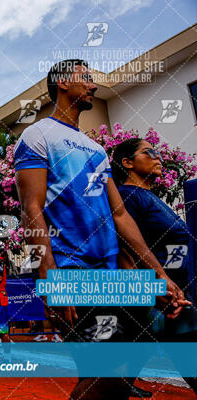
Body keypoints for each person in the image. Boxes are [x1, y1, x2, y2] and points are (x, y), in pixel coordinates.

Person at [14, 59, 189, 400]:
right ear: (63, 83)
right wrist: (50, 280)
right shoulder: (37, 135)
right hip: (73, 273)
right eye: (86, 78)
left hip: (113, 277)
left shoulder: (96, 149)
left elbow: (120, 215)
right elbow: (30, 210)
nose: (93, 85)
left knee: (119, 373)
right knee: (108, 374)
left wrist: (158, 274)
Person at [112, 138, 197, 395]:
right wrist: (152, 289)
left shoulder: (149, 197)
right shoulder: (128, 196)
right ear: (127, 162)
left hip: (175, 292)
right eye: (149, 152)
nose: (158, 156)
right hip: (162, 298)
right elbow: (124, 247)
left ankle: (120, 385)